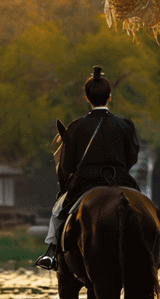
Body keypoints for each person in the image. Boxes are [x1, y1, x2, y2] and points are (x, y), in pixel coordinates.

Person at [36, 66, 141, 271]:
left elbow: (66, 165)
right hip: (121, 180)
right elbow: (132, 158)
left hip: (86, 183)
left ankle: (53, 254)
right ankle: (158, 252)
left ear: (87, 98)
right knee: (147, 208)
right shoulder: (124, 125)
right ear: (109, 97)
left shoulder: (77, 126)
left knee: (58, 212)